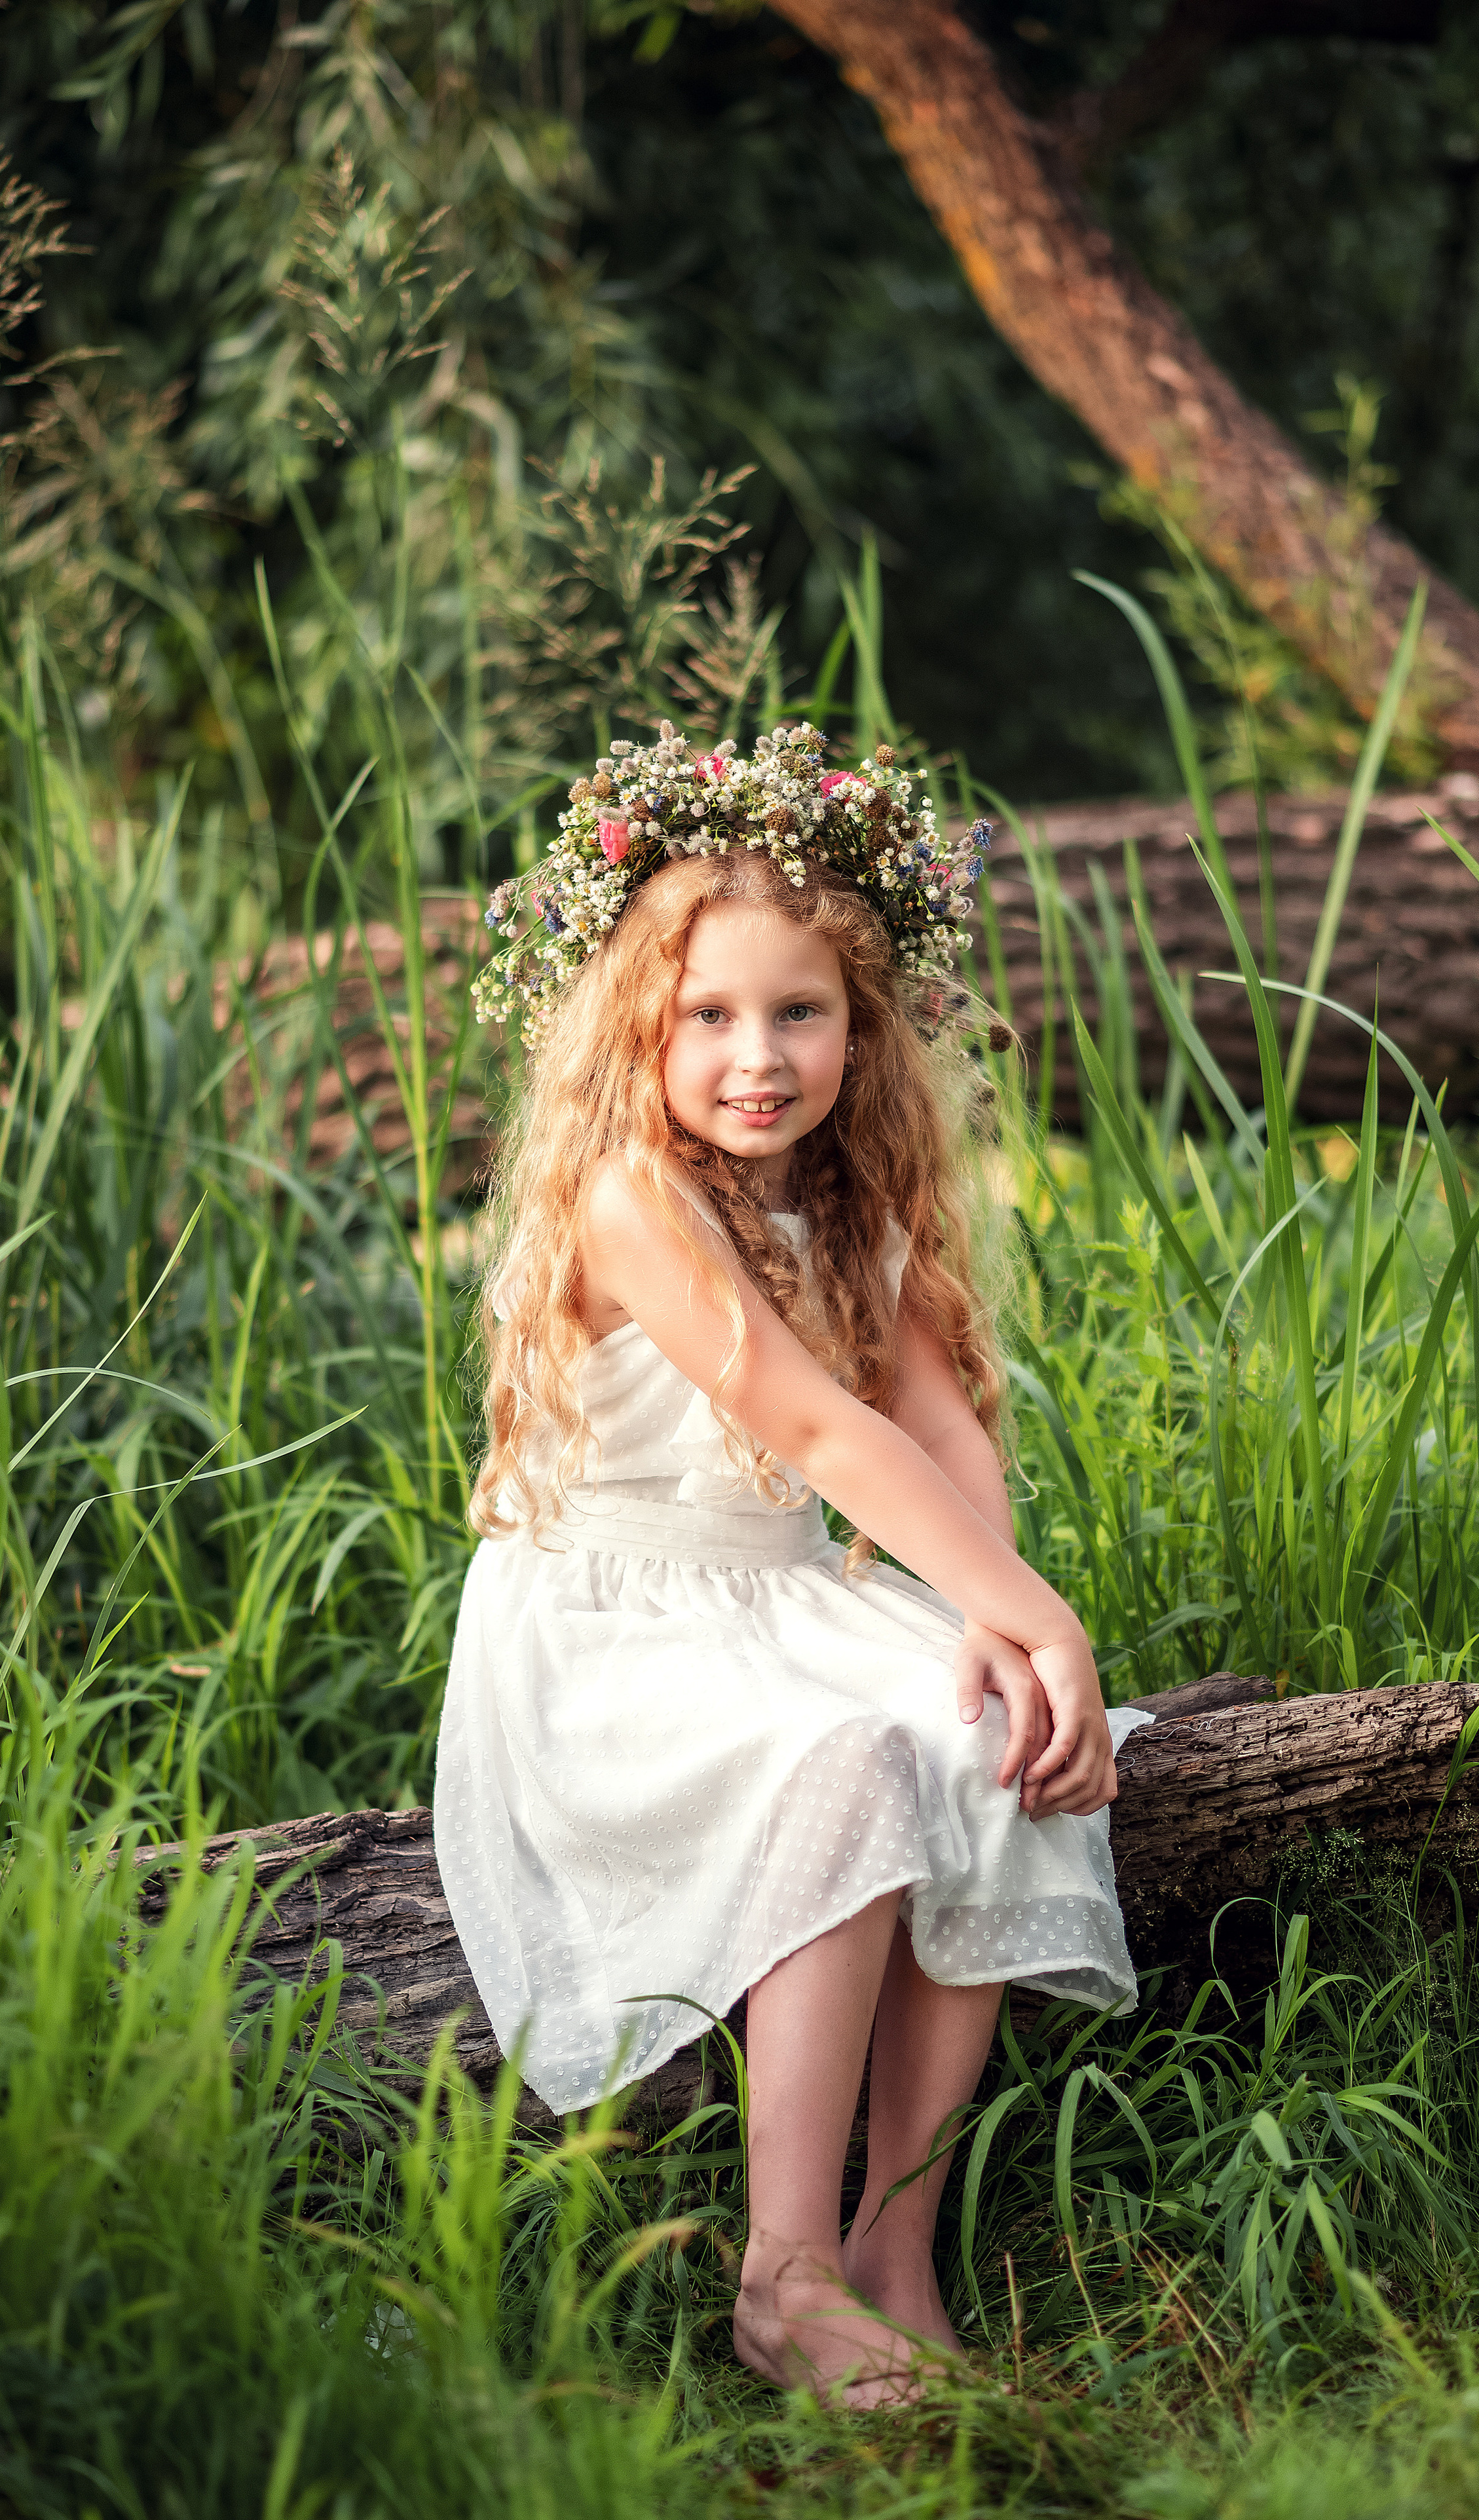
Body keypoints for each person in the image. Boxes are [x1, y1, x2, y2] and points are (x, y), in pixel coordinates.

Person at [435, 721, 1148, 2407]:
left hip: (778, 1597)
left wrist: (998, 1625)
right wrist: (1044, 1621)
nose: (757, 1055)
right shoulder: (630, 1196)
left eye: (799, 1012)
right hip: (611, 1624)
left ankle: (897, 2246)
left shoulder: (852, 1196)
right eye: (708, 1016)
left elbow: (933, 1422)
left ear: (857, 1027)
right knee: (836, 1763)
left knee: (975, 1741)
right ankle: (783, 2271)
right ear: (639, 1029)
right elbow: (817, 1433)